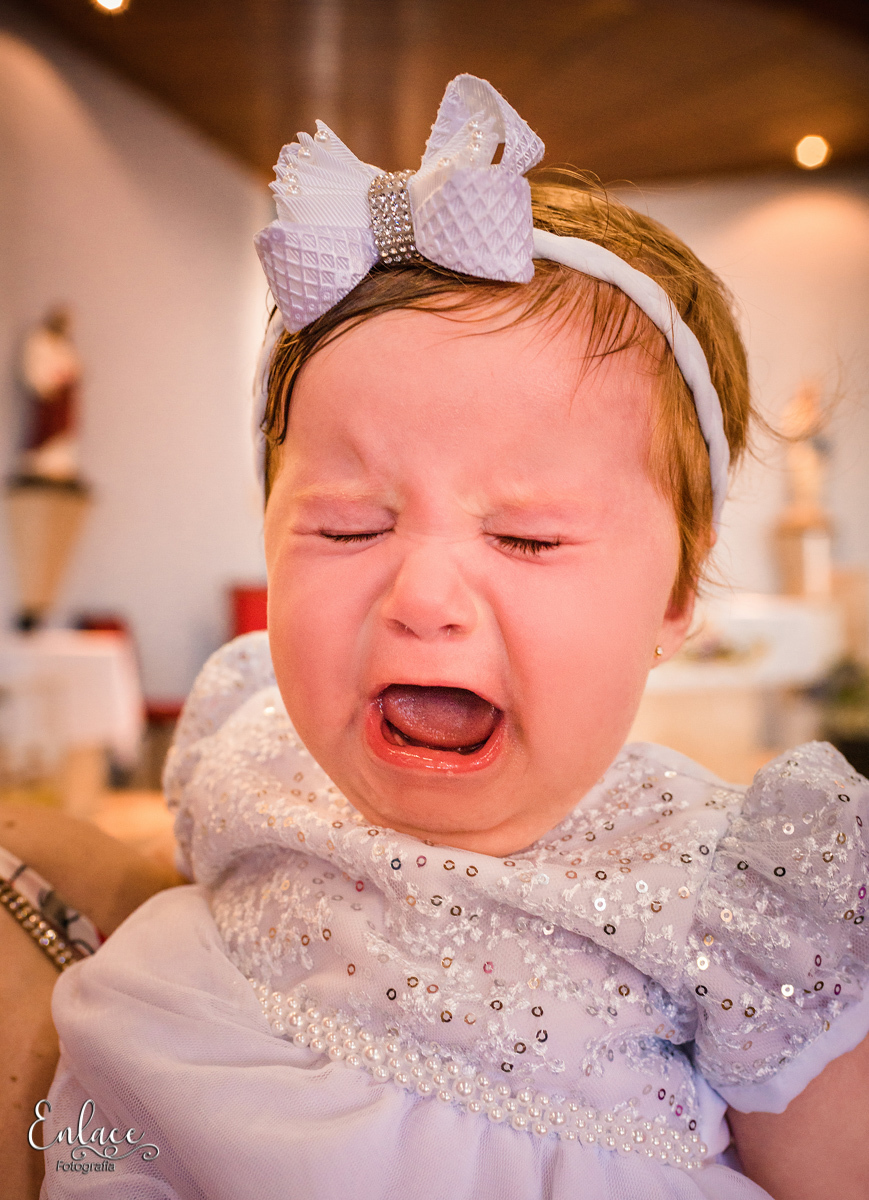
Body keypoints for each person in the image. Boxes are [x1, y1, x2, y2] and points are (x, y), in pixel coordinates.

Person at [38, 76, 869, 1199]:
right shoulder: (244, 740)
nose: (422, 595)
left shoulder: (732, 889)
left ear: (673, 598)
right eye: (347, 524)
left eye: (524, 538)